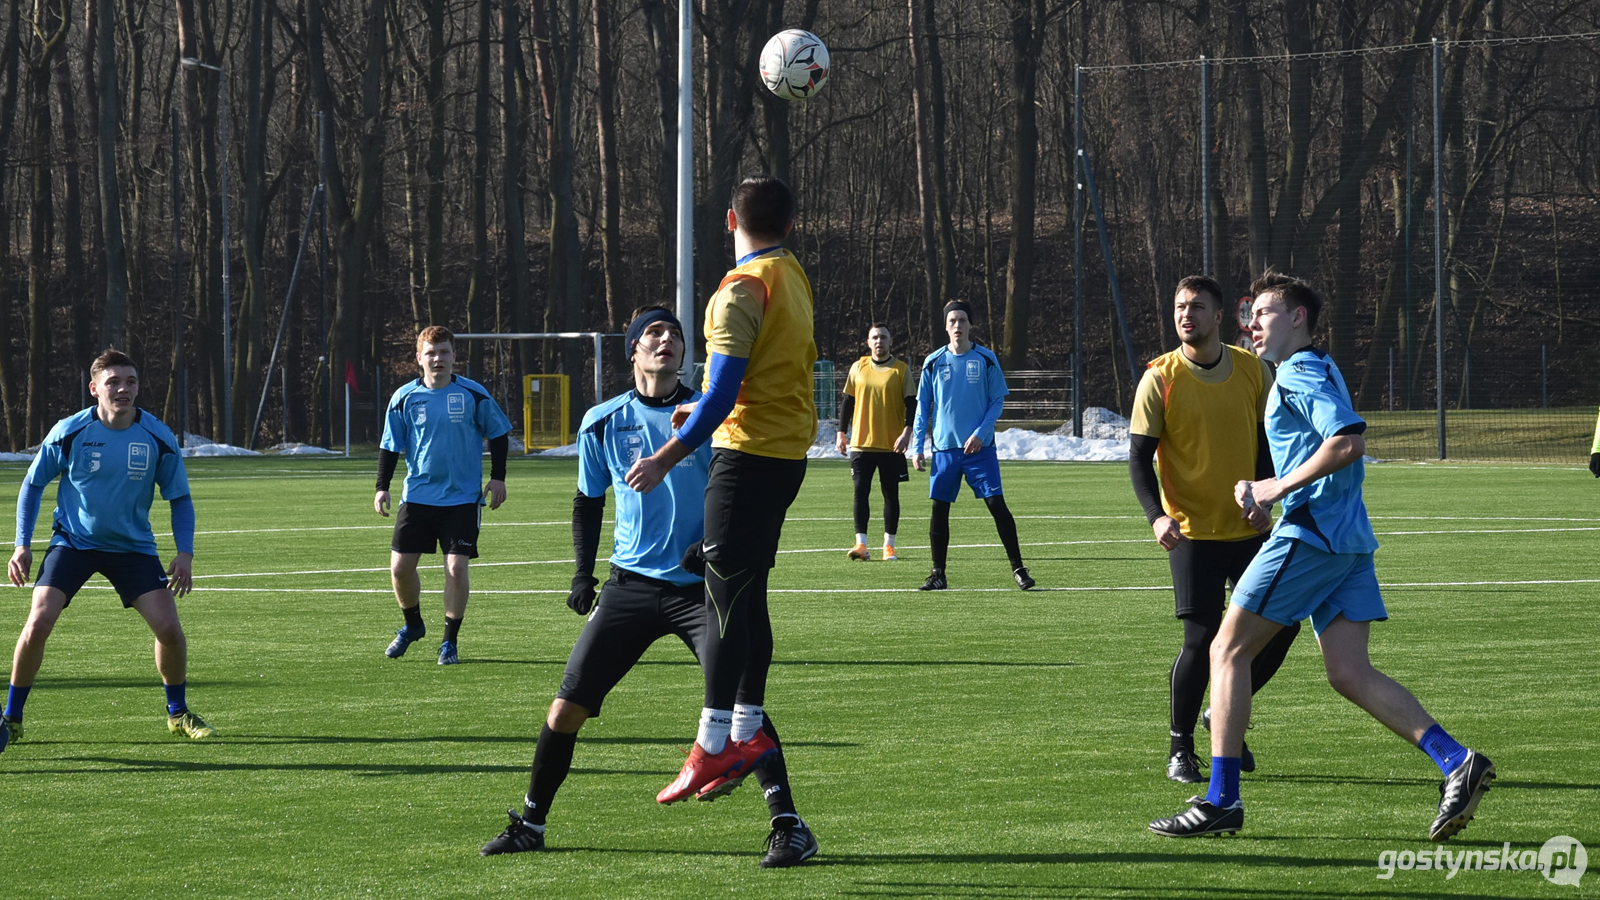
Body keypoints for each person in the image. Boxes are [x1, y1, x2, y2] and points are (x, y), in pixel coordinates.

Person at [1151, 271, 1494, 840]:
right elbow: (1330, 449)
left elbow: (1347, 442)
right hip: (1347, 540)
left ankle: (1221, 800)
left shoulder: (1297, 372)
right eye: (1250, 315)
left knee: (1225, 649)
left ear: (1298, 318)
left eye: (1262, 314)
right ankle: (1456, 761)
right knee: (1349, 672)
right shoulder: (1322, 366)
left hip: (1312, 537)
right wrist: (1274, 496)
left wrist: (1274, 490)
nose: (1251, 324)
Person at [480, 306, 815, 867]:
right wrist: (583, 572)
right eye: (654, 334)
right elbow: (588, 500)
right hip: (629, 587)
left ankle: (790, 825)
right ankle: (531, 823)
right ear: (633, 350)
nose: (667, 341)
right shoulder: (602, 420)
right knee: (566, 708)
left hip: (703, 588)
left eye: (676, 335)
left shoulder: (712, 416)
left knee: (740, 708)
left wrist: (711, 547)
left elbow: (741, 493)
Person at [622, 176, 817, 839]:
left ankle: (712, 745)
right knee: (743, 586)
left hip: (747, 458)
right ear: (788, 225)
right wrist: (703, 407)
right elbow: (763, 375)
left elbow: (726, 389)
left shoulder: (739, 289)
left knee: (721, 598)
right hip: (786, 455)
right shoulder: (790, 273)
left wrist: (667, 454)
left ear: (730, 218)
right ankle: (748, 730)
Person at [1129, 275, 1301, 784]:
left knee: (1283, 627)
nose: (1186, 314)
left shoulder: (1253, 371)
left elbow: (1269, 444)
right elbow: (1139, 460)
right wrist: (1157, 516)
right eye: (1180, 306)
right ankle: (1181, 747)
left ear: (1218, 316)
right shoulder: (1158, 378)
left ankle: (1220, 713)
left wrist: (1267, 497)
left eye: (1197, 307)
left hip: (1248, 531)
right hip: (1192, 534)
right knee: (1202, 639)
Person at [3, 349, 213, 753]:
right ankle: (11, 718)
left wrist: (184, 552)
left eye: (130, 381)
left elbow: (180, 498)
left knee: (169, 629)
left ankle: (177, 712)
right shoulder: (69, 430)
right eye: (114, 382)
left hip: (132, 548)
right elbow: (32, 485)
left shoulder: (157, 436)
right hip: (74, 543)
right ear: (94, 388)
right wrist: (22, 545)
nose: (123, 389)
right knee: (39, 621)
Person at [375, 325, 511, 666]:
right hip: (418, 496)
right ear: (419, 358)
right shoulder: (404, 397)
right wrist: (382, 486)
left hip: (462, 498)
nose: (438, 359)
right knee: (400, 569)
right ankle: (413, 625)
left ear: (454, 356)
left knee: (456, 568)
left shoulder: (473, 394)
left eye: (445, 352)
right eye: (431, 353)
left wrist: (498, 478)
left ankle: (449, 641)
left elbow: (498, 433)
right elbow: (390, 446)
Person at [911, 301, 1033, 591]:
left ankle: (1018, 568)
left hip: (981, 450)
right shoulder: (933, 362)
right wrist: (917, 446)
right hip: (944, 450)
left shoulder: (986, 358)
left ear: (970, 325)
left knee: (996, 505)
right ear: (945, 326)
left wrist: (980, 433)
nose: (957, 325)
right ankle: (938, 573)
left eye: (962, 320)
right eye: (952, 320)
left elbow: (997, 402)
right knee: (939, 510)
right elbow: (923, 407)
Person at [835, 324, 915, 561]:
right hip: (861, 444)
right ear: (868, 342)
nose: (879, 341)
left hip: (891, 445)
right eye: (874, 337)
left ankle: (888, 545)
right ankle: (861, 544)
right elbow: (847, 402)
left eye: (883, 337)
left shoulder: (901, 370)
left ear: (891, 342)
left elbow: (912, 403)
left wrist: (907, 433)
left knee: (891, 494)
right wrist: (841, 432)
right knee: (861, 493)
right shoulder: (858, 367)